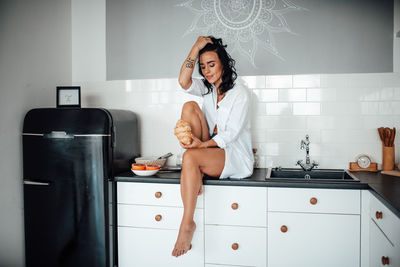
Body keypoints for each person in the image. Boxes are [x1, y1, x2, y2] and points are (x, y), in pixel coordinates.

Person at [172, 36, 254, 257]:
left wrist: (201, 146)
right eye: (203, 66)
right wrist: (195, 48)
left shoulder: (240, 93)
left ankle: (187, 223)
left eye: (211, 64)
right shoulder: (207, 89)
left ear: (223, 64)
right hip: (209, 150)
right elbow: (183, 81)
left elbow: (231, 134)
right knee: (189, 105)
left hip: (233, 155)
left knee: (189, 158)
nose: (207, 71)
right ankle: (195, 170)